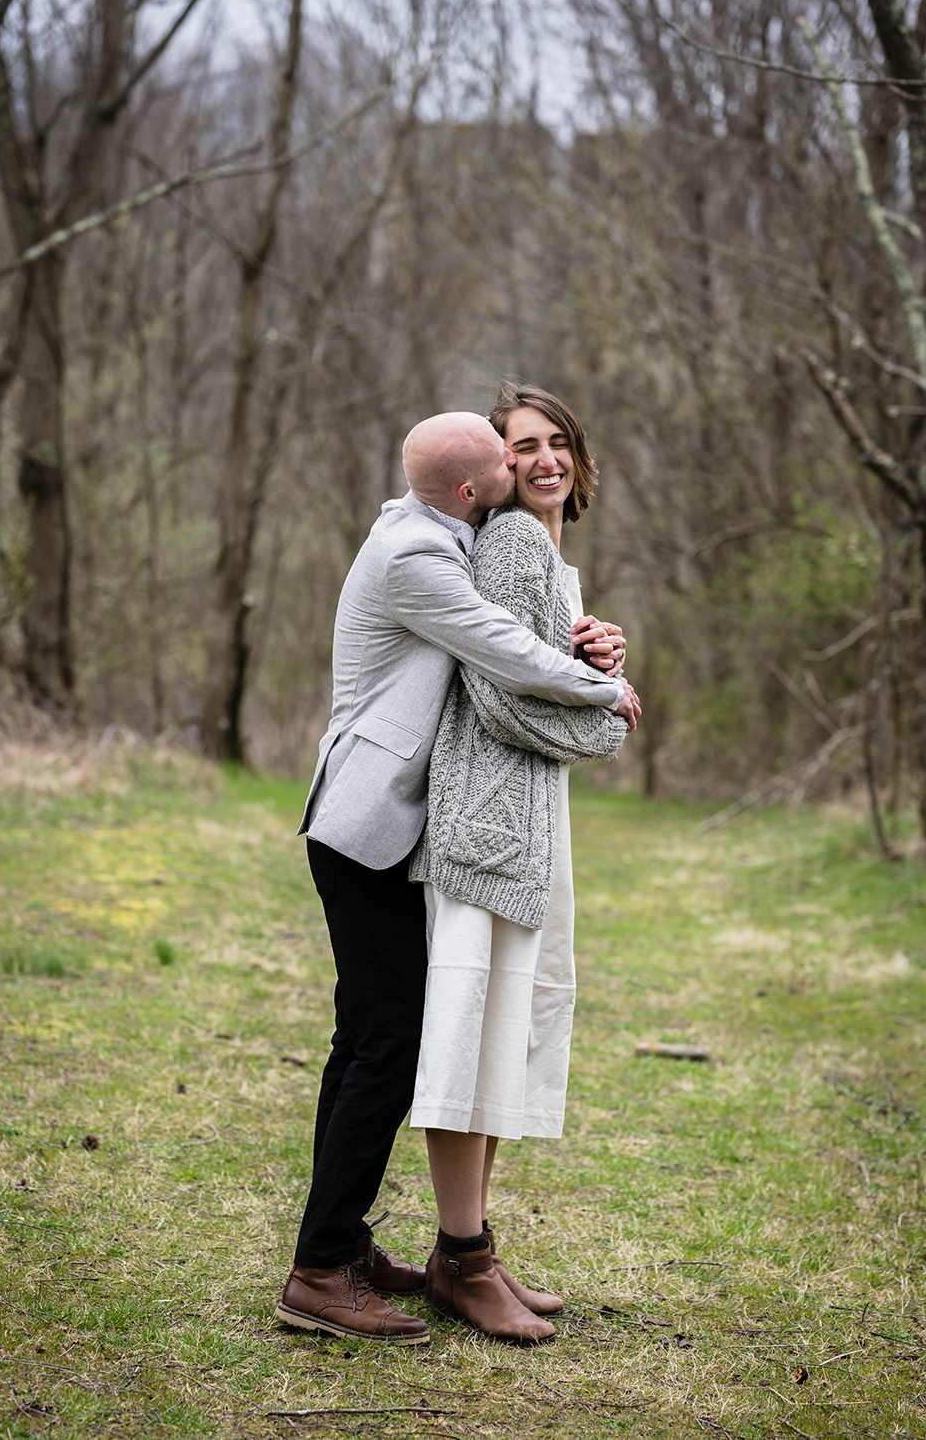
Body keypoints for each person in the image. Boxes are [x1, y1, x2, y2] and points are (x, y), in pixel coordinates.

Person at [276, 410, 638, 1345]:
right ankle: (318, 1272)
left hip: (388, 821)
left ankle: (340, 1245)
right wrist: (604, 691)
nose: (538, 468)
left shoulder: (444, 533)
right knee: (388, 1040)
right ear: (477, 489)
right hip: (367, 822)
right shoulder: (420, 557)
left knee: (365, 1036)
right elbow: (499, 651)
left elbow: (525, 628)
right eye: (514, 455)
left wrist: (577, 635)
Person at [409, 382, 640, 1344]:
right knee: (469, 1036)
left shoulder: (550, 558)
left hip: (531, 825)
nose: (541, 459)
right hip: (487, 826)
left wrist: (597, 660)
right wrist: (606, 710)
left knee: (506, 1037)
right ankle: (464, 1261)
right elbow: (500, 696)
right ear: (497, 468)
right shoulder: (507, 543)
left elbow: (548, 669)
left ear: (578, 460)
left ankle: (468, 1254)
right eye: (521, 447)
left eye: (556, 443)